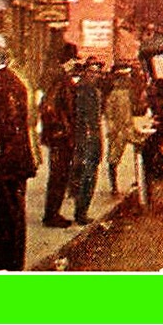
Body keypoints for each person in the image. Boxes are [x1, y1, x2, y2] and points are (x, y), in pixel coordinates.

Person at [0, 33, 37, 271]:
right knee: (11, 213)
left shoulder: (0, 84)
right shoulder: (12, 80)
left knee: (7, 215)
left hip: (7, 161)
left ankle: (8, 263)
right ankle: (9, 260)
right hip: (15, 160)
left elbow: (5, 125)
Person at [38, 46, 79, 227]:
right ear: (67, 61)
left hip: (60, 134)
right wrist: (61, 128)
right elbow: (49, 107)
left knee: (60, 175)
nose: (75, 63)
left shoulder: (60, 79)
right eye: (73, 60)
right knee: (58, 176)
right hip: (60, 136)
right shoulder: (61, 80)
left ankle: (53, 212)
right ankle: (51, 214)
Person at [67, 57, 106, 226]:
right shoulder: (83, 90)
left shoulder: (92, 90)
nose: (95, 75)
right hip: (86, 138)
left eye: (97, 72)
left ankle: (82, 210)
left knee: (88, 174)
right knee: (87, 176)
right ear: (85, 72)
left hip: (92, 136)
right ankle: (81, 212)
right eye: (92, 71)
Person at [103, 63, 142, 194]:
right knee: (113, 158)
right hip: (118, 131)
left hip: (128, 128)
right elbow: (109, 114)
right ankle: (113, 186)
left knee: (139, 153)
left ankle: (139, 179)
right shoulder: (114, 95)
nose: (127, 80)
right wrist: (111, 129)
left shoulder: (129, 93)